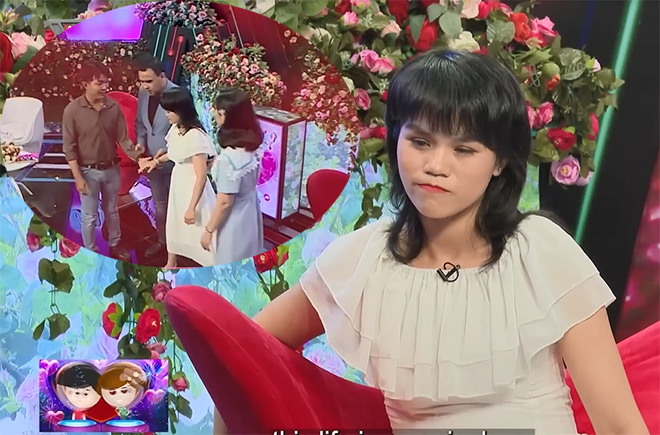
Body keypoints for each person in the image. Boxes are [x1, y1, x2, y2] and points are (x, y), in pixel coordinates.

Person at [213, 49, 648, 434]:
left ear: (499, 162)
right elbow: (236, 353)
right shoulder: (360, 260)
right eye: (420, 141)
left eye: (464, 150)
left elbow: (619, 425)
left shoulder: (541, 251)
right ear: (396, 138)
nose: (436, 165)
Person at [62, 60, 133, 261]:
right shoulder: (72, 110)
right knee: (89, 216)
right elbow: (69, 148)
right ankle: (91, 252)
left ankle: (115, 245)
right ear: (85, 84)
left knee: (112, 211)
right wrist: (78, 177)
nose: (105, 87)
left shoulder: (113, 107)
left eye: (106, 82)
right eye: (99, 83)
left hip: (112, 169)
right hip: (87, 172)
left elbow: (123, 139)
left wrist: (140, 157)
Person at [139, 88, 217, 268]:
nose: (166, 115)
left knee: (198, 225)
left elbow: (201, 176)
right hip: (178, 183)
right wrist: (156, 161)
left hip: (193, 187)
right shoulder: (176, 129)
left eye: (169, 111)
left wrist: (192, 207)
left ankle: (211, 265)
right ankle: (172, 261)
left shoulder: (196, 136)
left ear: (181, 110)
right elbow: (175, 152)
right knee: (174, 223)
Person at [201, 87, 265, 264]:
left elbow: (225, 203)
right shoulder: (252, 145)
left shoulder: (228, 159)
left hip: (234, 221)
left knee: (230, 262)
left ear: (224, 114)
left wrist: (209, 230)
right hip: (250, 213)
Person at [133, 54, 179, 258]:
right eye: (142, 81)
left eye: (149, 81)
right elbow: (141, 124)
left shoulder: (177, 94)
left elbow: (185, 130)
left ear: (162, 76)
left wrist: (163, 156)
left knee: (178, 206)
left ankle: (182, 248)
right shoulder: (143, 93)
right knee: (160, 206)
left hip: (175, 163)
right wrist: (141, 144)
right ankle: (164, 243)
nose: (145, 86)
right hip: (152, 162)